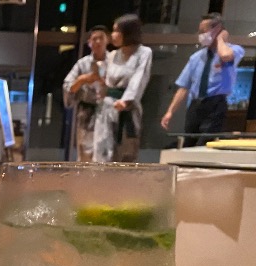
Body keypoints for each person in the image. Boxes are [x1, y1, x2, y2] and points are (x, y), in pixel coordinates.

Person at [160, 13, 244, 146]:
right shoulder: (196, 57)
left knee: (205, 143)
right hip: (195, 104)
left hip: (215, 103)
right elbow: (183, 87)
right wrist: (170, 112)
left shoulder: (234, 50)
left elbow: (225, 55)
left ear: (217, 30)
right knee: (188, 142)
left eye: (203, 31)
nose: (200, 35)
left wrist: (221, 39)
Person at [93, 14, 152, 162]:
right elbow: (105, 81)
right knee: (103, 153)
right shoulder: (113, 55)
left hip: (128, 107)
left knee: (126, 154)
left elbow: (139, 78)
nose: (113, 35)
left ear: (128, 32)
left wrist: (126, 101)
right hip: (108, 108)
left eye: (117, 31)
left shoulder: (144, 53)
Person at [63, 25, 110, 162]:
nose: (98, 42)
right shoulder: (82, 64)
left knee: (108, 156)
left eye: (101, 38)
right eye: (94, 39)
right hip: (87, 114)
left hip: (110, 113)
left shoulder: (114, 62)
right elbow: (67, 86)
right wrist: (82, 80)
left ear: (107, 40)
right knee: (85, 157)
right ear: (89, 43)